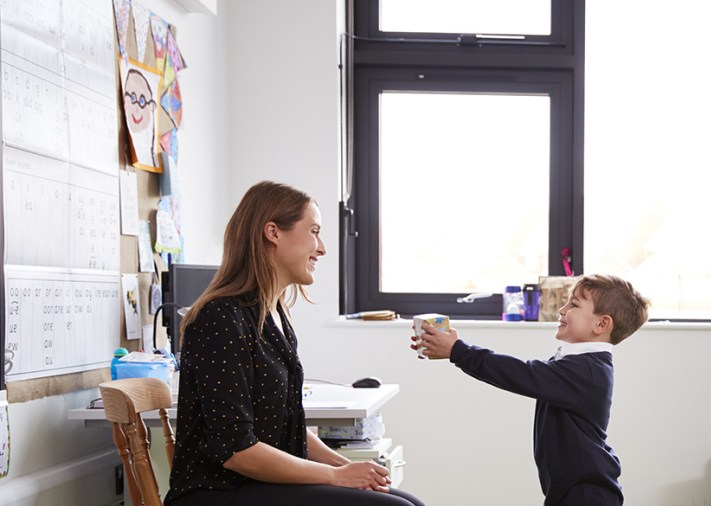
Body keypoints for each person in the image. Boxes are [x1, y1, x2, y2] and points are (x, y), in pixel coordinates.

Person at [165, 181, 424, 506]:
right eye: (314, 231)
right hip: (218, 492)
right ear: (272, 232)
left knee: (408, 501)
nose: (322, 248)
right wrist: (335, 477)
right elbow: (235, 451)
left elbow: (290, 422)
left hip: (261, 485)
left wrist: (347, 468)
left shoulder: (273, 315)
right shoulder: (220, 318)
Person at [411, 274, 650, 506]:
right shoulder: (579, 364)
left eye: (574, 304)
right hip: (572, 489)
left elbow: (519, 373)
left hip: (586, 494)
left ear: (602, 323)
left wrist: (457, 350)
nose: (562, 309)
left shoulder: (586, 372)